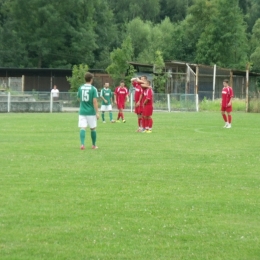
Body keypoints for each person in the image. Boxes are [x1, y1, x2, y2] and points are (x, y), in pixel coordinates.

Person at [77, 72, 99, 150]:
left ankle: (82, 144)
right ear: (91, 79)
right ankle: (93, 145)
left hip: (82, 111)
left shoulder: (80, 88)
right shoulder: (93, 89)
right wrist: (97, 112)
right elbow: (95, 101)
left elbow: (79, 98)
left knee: (83, 128)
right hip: (91, 112)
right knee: (93, 128)